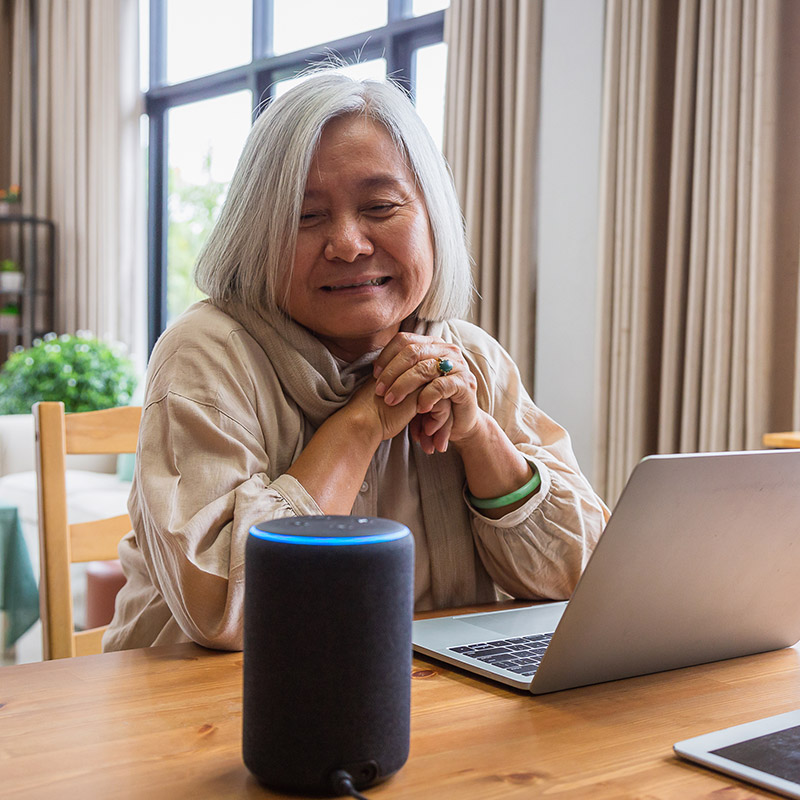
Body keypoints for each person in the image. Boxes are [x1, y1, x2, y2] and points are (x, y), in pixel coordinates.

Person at [104, 71, 609, 652]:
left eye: (380, 206)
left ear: (431, 218)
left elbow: (583, 577)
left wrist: (477, 436)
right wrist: (366, 418)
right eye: (305, 216)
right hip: (201, 715)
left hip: (426, 703)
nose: (347, 243)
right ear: (255, 234)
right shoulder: (208, 354)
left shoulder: (466, 356)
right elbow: (233, 613)